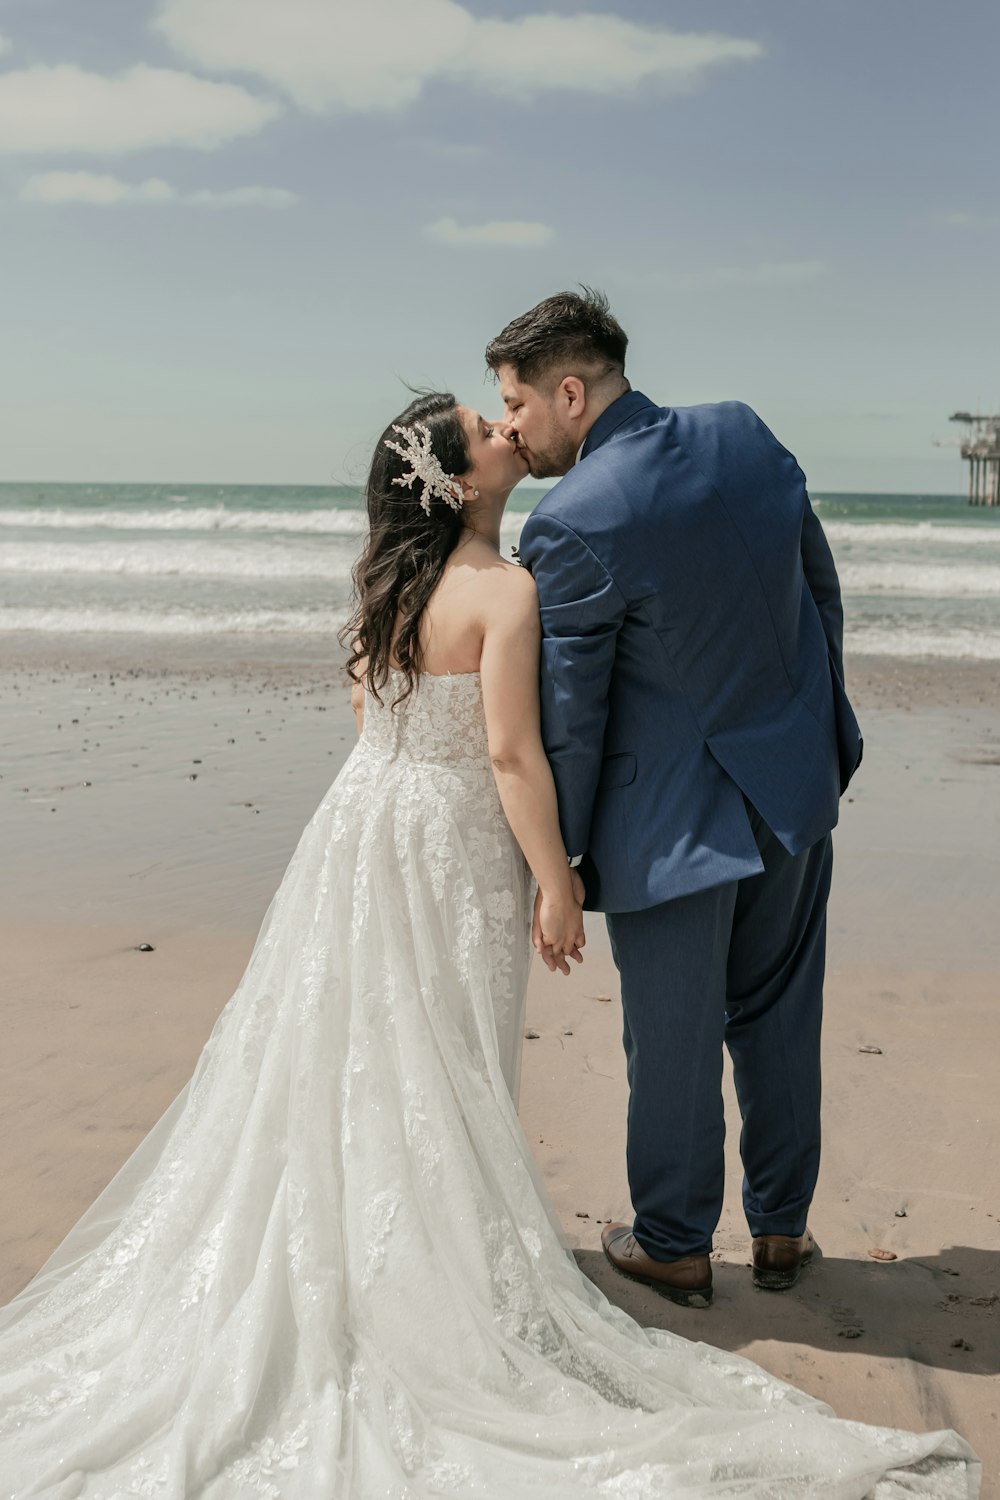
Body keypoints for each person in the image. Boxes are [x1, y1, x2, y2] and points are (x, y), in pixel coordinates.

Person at [0, 393, 976, 1496]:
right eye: (485, 424)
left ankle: (378, 1234)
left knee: (355, 1035)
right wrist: (557, 879)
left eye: (502, 407)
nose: (505, 427)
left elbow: (373, 721)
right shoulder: (507, 589)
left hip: (362, 830)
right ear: (460, 482)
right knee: (448, 1045)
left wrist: (426, 799)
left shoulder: (387, 584)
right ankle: (476, 1243)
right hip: (459, 836)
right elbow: (515, 754)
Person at [486, 288, 865, 1310]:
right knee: (781, 1018)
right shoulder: (744, 434)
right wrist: (819, 736)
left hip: (673, 827)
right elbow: (818, 591)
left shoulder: (570, 518)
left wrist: (555, 860)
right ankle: (781, 1232)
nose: (511, 429)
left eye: (516, 404)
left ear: (571, 392)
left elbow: (573, 714)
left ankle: (673, 1245)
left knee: (673, 1040)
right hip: (792, 790)